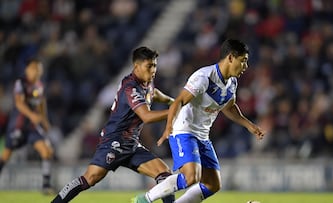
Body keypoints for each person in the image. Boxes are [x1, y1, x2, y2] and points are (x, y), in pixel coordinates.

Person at [133, 39, 265, 203]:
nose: (245, 66)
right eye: (243, 61)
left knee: (212, 184)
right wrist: (168, 127)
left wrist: (249, 125)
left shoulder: (232, 83)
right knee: (191, 176)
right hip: (184, 130)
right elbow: (179, 101)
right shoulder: (204, 77)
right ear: (231, 58)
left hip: (202, 136)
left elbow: (229, 107)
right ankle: (144, 199)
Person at [51, 46, 175, 203]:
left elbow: (154, 94)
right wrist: (175, 111)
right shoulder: (130, 88)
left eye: (155, 65)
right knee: (90, 178)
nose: (153, 70)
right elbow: (147, 116)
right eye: (149, 66)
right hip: (114, 142)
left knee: (165, 174)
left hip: (132, 145)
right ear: (136, 66)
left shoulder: (147, 83)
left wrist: (173, 102)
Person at [0, 59, 54, 194]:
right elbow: (19, 103)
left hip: (32, 128)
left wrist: (45, 121)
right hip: (18, 125)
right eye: (34, 68)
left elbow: (41, 103)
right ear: (27, 69)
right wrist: (31, 115)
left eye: (38, 69)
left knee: (46, 151)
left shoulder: (40, 85)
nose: (36, 71)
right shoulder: (21, 83)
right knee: (6, 156)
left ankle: (46, 186)